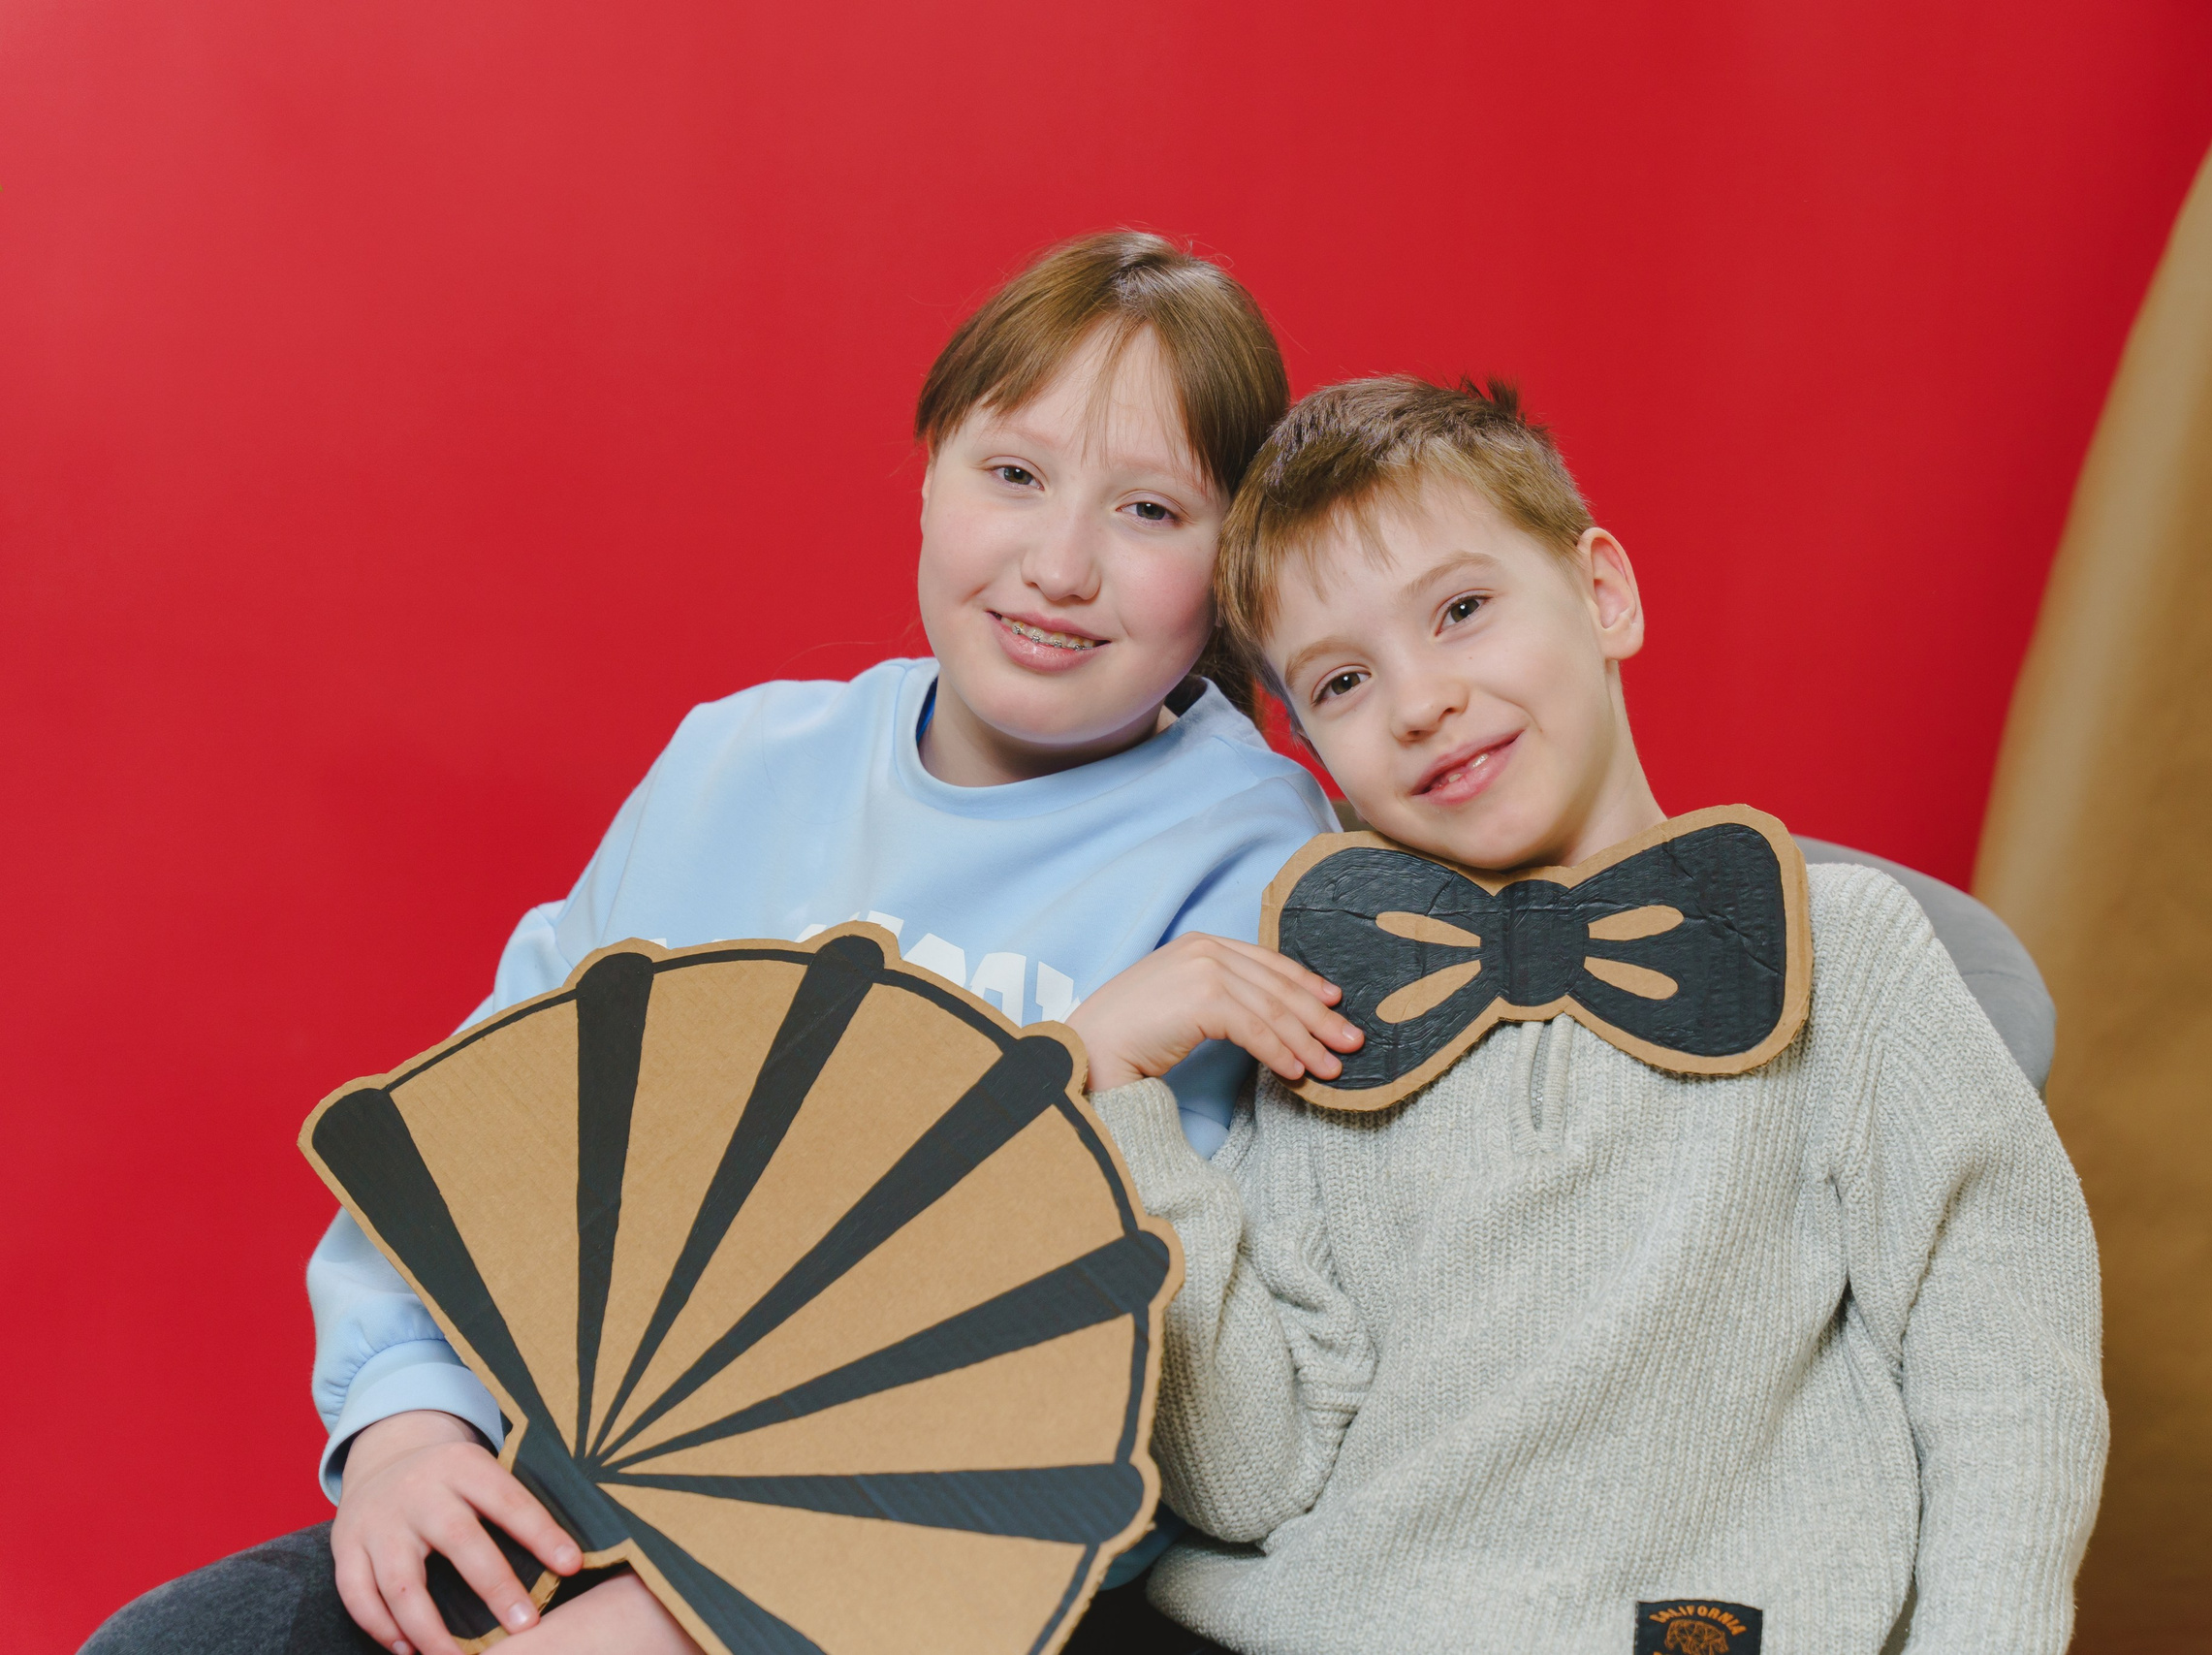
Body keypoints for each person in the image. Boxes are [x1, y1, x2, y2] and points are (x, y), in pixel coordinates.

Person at [83, 232, 1335, 1655]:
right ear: (928, 473)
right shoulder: (735, 765)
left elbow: (1148, 1369)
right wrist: (406, 1429)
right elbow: (479, 1137)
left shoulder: (1257, 855)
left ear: (1233, 562)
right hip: (569, 1493)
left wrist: (689, 1621)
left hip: (939, 1575)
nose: (1059, 565)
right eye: (1013, 474)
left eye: (1150, 511)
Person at [1066, 376, 2109, 1653]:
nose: (1420, 701)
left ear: (1603, 593)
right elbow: (1245, 1479)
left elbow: (2007, 1366)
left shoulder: (1851, 954)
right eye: (1341, 682)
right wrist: (1123, 1104)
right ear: (1316, 756)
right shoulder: (1331, 1019)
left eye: (1461, 610)